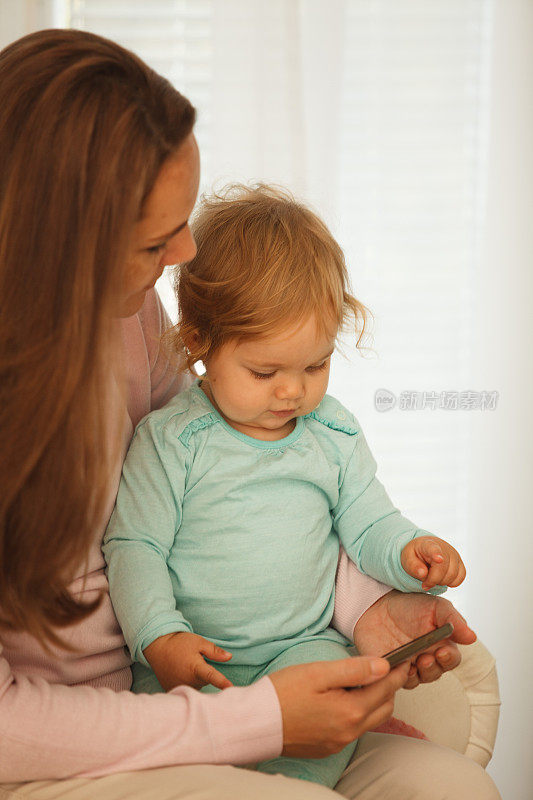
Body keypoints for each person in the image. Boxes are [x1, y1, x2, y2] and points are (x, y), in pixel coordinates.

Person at [0, 28, 501, 800]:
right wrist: (257, 720)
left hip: (223, 693)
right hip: (79, 736)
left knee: (451, 789)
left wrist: (368, 609)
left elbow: (246, 485)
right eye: (155, 240)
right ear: (54, 240)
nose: (188, 254)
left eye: (183, 221)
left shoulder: (128, 317)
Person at [103, 184, 467, 789]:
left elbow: (369, 521)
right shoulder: (172, 441)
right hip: (198, 661)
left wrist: (409, 551)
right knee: (177, 744)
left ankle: (298, 776)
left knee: (341, 687)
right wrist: (159, 636)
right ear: (198, 343)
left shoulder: (331, 433)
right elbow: (135, 546)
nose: (292, 393)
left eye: (315, 365)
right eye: (264, 371)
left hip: (301, 648)